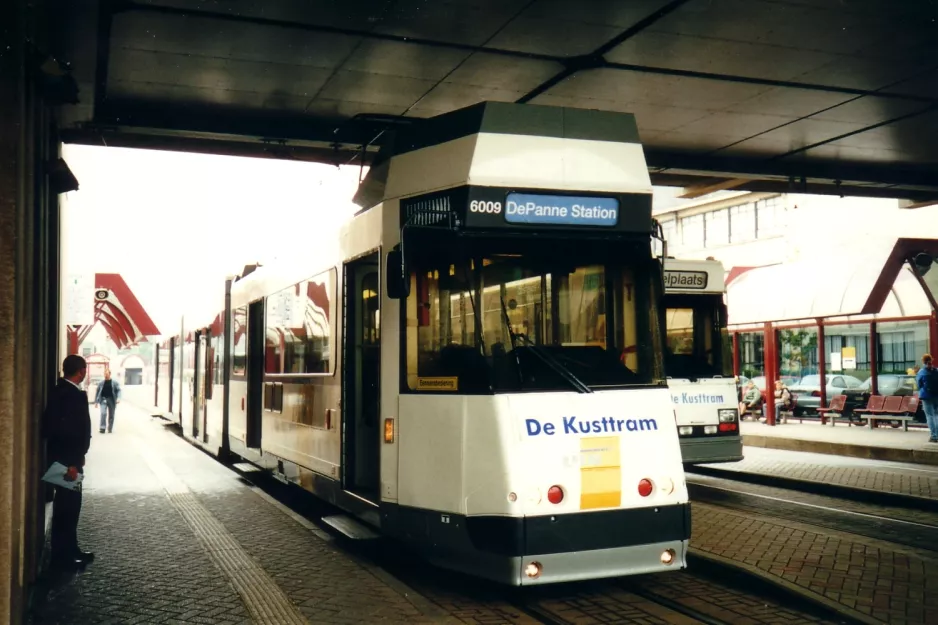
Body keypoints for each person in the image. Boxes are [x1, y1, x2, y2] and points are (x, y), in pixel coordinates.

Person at [42, 354, 95, 569]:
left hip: (67, 460)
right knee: (68, 509)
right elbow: (67, 431)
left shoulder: (60, 391)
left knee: (68, 508)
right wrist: (72, 463)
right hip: (67, 464)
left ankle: (70, 551)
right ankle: (64, 557)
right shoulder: (68, 395)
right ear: (81, 371)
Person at [916, 354, 938, 443]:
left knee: (929, 415)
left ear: (923, 361)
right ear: (931, 360)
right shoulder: (936, 370)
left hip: (926, 396)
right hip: (936, 395)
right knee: (936, 415)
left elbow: (918, 384)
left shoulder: (922, 372)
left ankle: (934, 436)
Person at [94, 368, 121, 434]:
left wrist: (118, 398)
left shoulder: (114, 382)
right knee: (103, 413)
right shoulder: (101, 383)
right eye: (105, 374)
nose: (105, 375)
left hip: (111, 399)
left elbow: (119, 390)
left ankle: (110, 428)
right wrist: (96, 402)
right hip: (103, 399)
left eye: (107, 374)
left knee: (111, 415)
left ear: (109, 374)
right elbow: (97, 392)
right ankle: (102, 428)